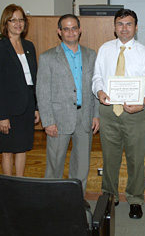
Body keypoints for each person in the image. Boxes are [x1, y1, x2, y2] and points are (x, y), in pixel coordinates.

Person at [92, 9, 145, 219]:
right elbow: (97, 76)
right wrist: (99, 91)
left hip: (135, 112)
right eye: (120, 24)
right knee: (110, 158)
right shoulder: (105, 49)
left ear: (136, 28)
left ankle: (135, 199)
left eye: (129, 24)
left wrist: (143, 102)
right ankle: (110, 197)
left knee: (135, 159)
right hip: (109, 111)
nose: (124, 28)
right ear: (114, 27)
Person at [36, 14, 99, 194]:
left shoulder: (91, 55)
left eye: (74, 28)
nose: (70, 32)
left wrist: (96, 115)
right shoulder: (48, 57)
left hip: (85, 116)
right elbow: (42, 91)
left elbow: (96, 86)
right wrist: (48, 121)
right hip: (58, 118)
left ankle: (76, 200)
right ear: (59, 32)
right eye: (66, 29)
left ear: (80, 30)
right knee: (54, 165)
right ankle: (52, 201)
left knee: (81, 165)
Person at [0, 4, 40, 176]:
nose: (18, 23)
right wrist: (1, 116)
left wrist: (36, 107)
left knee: (23, 148)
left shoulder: (29, 46)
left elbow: (34, 80)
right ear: (6, 23)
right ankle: (8, 188)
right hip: (8, 110)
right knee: (8, 150)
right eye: (13, 20)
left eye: (21, 19)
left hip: (26, 107)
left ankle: (20, 184)